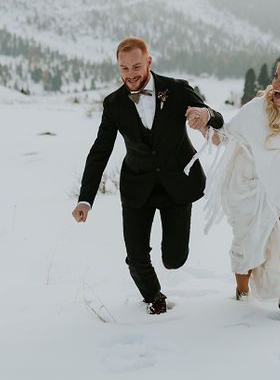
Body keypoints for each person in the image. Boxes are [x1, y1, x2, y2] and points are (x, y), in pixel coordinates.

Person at [72, 37, 224, 314]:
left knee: (175, 259)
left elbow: (216, 117)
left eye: (136, 67)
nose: (131, 74)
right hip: (137, 185)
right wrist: (85, 199)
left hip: (177, 184)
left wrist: (205, 114)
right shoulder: (114, 103)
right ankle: (154, 297)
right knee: (136, 256)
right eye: (124, 68)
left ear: (149, 62)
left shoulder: (177, 90)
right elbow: (100, 151)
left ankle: (172, 261)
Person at [198, 53, 280, 323]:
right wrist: (205, 121)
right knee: (247, 242)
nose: (277, 84)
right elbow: (223, 137)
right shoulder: (257, 109)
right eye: (276, 77)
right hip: (250, 182)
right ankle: (242, 294)